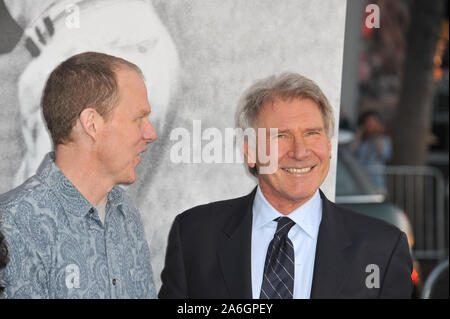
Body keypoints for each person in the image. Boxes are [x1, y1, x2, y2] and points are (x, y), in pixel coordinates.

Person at [159, 72, 413, 299]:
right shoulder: (195, 235)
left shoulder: (382, 248)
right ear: (251, 152)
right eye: (281, 136)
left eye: (312, 133)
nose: (300, 152)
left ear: (328, 146)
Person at [0, 51, 158, 298]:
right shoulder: (12, 224)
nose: (151, 133)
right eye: (138, 118)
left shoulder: (125, 211)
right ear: (91, 124)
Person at [350, 110, 392, 193]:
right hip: (360, 179)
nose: (371, 126)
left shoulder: (384, 140)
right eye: (368, 123)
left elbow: (385, 155)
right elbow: (351, 152)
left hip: (377, 180)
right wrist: (358, 135)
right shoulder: (361, 141)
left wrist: (378, 134)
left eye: (373, 123)